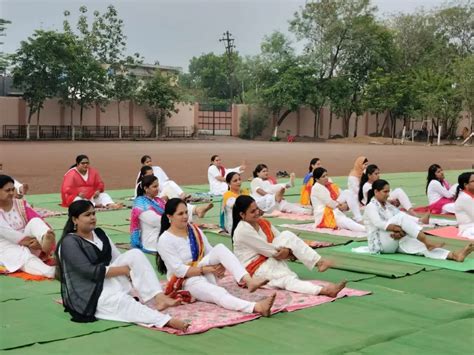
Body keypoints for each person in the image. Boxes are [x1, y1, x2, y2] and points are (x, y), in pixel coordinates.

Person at [56, 200, 188, 331]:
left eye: (93, 214)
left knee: (135, 254)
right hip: (90, 291)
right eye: (87, 215)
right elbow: (89, 271)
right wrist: (125, 270)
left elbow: (118, 258)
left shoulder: (100, 234)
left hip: (109, 280)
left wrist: (129, 271)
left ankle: (159, 297)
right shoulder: (70, 242)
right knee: (123, 301)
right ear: (75, 219)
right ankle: (165, 320)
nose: (92, 218)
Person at [157, 198, 276, 317]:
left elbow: (210, 251)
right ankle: (256, 307)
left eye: (186, 212)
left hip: (203, 270)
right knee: (218, 292)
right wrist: (205, 270)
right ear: (170, 216)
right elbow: (179, 270)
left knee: (220, 247)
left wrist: (219, 265)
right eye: (180, 214)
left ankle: (249, 281)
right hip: (184, 280)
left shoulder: (193, 229)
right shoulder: (165, 240)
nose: (185, 216)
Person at [232, 195, 346, 297]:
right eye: (252, 211)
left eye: (257, 208)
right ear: (242, 215)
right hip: (254, 268)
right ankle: (324, 290)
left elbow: (279, 238)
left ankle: (319, 263)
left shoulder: (262, 222)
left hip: (269, 258)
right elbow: (269, 251)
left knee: (287, 236)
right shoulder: (243, 230)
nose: (257, 212)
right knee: (286, 279)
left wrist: (288, 251)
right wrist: (288, 253)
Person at [363, 179, 473, 261]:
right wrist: (398, 229)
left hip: (393, 240)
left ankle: (454, 255)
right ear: (376, 192)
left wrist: (404, 230)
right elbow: (379, 223)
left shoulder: (388, 206)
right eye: (385, 192)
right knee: (402, 217)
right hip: (381, 245)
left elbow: (401, 216)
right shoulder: (371, 206)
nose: (388, 195)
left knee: (420, 247)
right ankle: (427, 241)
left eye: (388, 192)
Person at [130, 175, 213, 252]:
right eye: (154, 187)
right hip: (153, 240)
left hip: (167, 232)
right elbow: (158, 222)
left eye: (158, 186)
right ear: (146, 188)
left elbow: (171, 210)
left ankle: (196, 210)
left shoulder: (157, 200)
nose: (158, 189)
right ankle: (196, 211)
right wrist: (179, 219)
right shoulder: (140, 205)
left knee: (195, 233)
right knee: (190, 238)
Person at [0, 175, 55, 278]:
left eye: (13, 189)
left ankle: (44, 239)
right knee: (22, 255)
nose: (12, 193)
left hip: (32, 244)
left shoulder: (20, 204)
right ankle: (52, 272)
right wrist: (30, 243)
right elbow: (7, 233)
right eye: (7, 190)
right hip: (6, 247)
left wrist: (39, 243)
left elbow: (37, 219)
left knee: (35, 221)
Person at [311, 168, 365, 232]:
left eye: (326, 175)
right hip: (324, 214)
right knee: (346, 222)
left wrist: (345, 204)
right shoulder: (317, 188)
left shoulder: (326, 184)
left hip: (333, 208)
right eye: (323, 176)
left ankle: (358, 218)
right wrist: (341, 206)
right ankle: (367, 230)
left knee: (347, 192)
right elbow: (329, 203)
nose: (326, 178)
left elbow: (339, 193)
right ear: (317, 179)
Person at [454, 172, 474, 238]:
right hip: (468, 230)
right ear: (466, 185)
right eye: (473, 181)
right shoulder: (465, 198)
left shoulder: (469, 196)